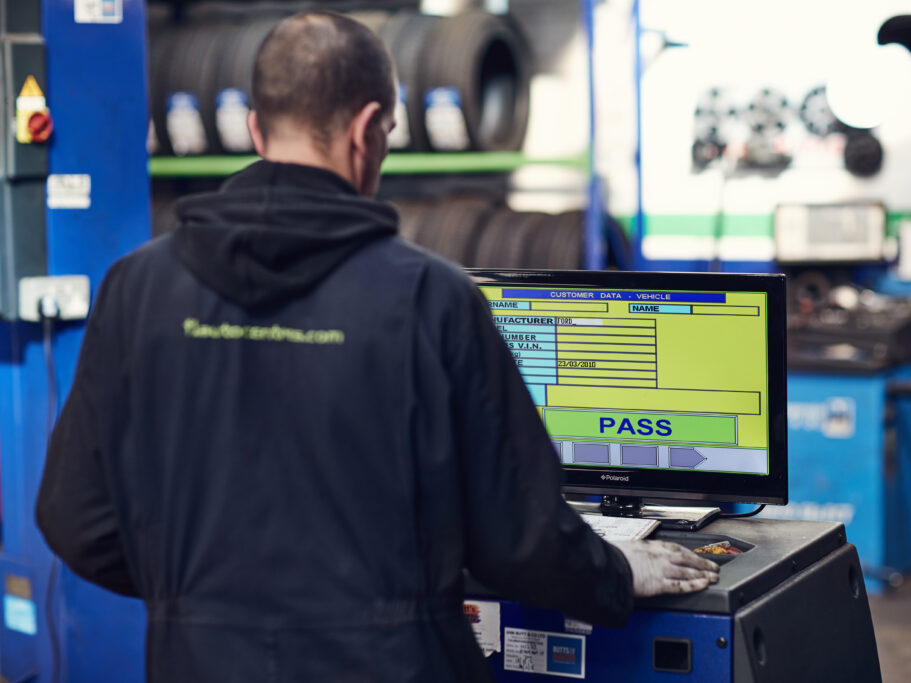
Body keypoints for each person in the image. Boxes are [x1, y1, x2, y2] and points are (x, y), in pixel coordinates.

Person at [35, 12, 718, 683]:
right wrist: (619, 571)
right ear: (367, 131)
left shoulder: (138, 287)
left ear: (254, 128)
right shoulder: (433, 298)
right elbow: (522, 540)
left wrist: (203, 599)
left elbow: (75, 519)